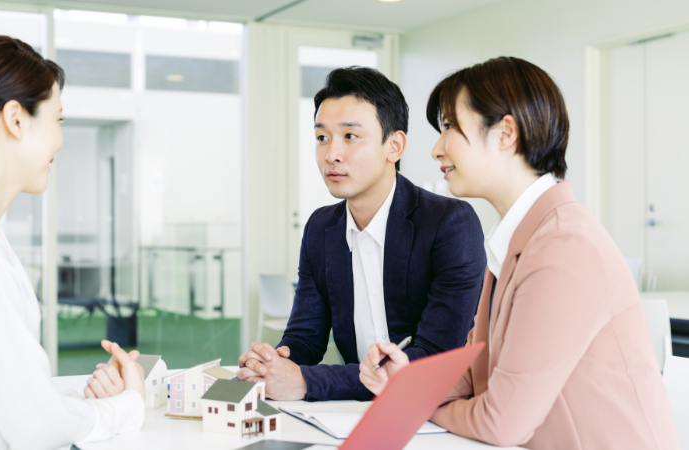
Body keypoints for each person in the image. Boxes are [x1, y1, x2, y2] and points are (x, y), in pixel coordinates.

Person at [358, 57, 680, 449]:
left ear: (506, 133)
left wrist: (416, 403)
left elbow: (500, 423)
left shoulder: (564, 247)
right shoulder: (519, 241)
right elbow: (477, 372)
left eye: (449, 127)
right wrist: (407, 381)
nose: (437, 149)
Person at [0, 35, 146, 449]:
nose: (59, 139)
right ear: (16, 119)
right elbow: (37, 429)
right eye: (58, 119)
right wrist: (127, 405)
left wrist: (78, 407)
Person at [237, 67, 487, 401]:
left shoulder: (449, 223)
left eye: (350, 137)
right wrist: (273, 363)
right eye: (322, 137)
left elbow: (434, 358)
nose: (331, 154)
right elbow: (305, 338)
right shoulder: (320, 228)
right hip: (353, 415)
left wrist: (307, 382)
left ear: (394, 146)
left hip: (436, 416)